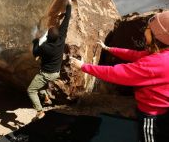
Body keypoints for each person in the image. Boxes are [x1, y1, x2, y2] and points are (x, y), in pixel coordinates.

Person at [70, 10, 169, 142]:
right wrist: (110, 49)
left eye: (148, 29)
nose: (145, 30)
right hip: (164, 109)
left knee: (149, 137)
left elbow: (116, 73)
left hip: (152, 114)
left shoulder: (153, 64)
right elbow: (134, 55)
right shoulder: (161, 55)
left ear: (157, 36)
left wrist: (84, 67)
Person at [27, 0, 72, 120]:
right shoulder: (61, 38)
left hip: (46, 74)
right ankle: (46, 97)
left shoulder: (45, 47)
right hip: (55, 72)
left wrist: (36, 40)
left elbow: (35, 53)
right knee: (40, 83)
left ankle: (40, 111)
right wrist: (69, 5)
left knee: (31, 90)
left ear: (48, 37)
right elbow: (67, 18)